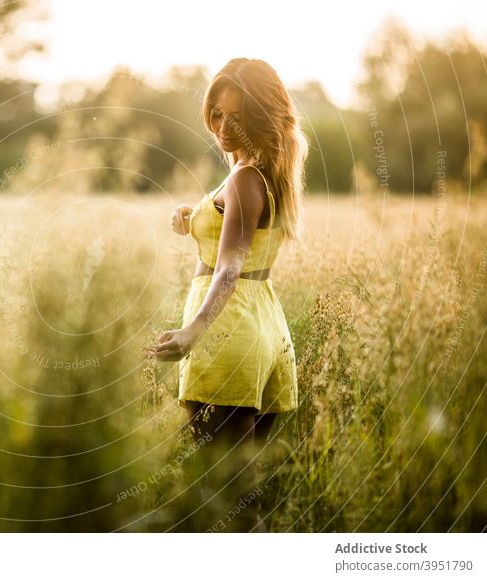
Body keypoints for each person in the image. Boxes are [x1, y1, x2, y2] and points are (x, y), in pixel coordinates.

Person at [146, 58, 308, 532]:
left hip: (227, 334)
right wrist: (193, 220)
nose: (223, 127)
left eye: (236, 116)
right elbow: (234, 246)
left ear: (262, 115)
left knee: (218, 500)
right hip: (261, 329)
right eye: (216, 114)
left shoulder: (243, 178)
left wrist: (193, 330)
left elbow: (230, 267)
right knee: (239, 495)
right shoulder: (265, 173)